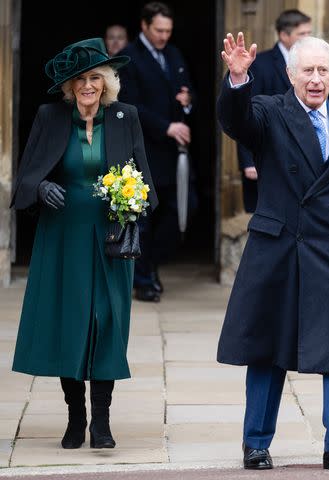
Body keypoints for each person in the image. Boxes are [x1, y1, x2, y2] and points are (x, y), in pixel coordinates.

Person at [217, 33, 329, 471]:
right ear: (290, 75)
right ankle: (256, 444)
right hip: (279, 250)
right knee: (269, 352)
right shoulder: (269, 111)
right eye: (306, 70)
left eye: (322, 70)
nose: (315, 79)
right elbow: (236, 121)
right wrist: (237, 78)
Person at [11, 38, 157, 450]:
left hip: (110, 234)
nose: (88, 86)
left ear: (107, 82)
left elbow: (146, 179)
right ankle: (76, 420)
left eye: (96, 78)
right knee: (70, 322)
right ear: (70, 86)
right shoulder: (50, 116)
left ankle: (103, 422)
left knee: (107, 324)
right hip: (63, 234)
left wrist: (134, 201)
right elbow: (25, 176)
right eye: (80, 79)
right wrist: (40, 188)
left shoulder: (126, 116)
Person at [118, 1, 195, 302]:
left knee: (185, 209)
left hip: (174, 154)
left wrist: (188, 100)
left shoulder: (174, 54)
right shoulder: (128, 57)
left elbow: (188, 91)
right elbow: (130, 104)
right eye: (159, 30)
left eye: (168, 31)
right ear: (145, 26)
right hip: (143, 151)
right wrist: (166, 127)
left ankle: (151, 265)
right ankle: (143, 280)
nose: (164, 36)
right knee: (144, 219)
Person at [238, 9, 311, 213]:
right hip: (266, 154)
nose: (308, 38)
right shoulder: (260, 64)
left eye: (309, 33)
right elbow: (246, 112)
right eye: (302, 34)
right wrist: (248, 161)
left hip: (301, 155)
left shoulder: (310, 64)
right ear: (284, 35)